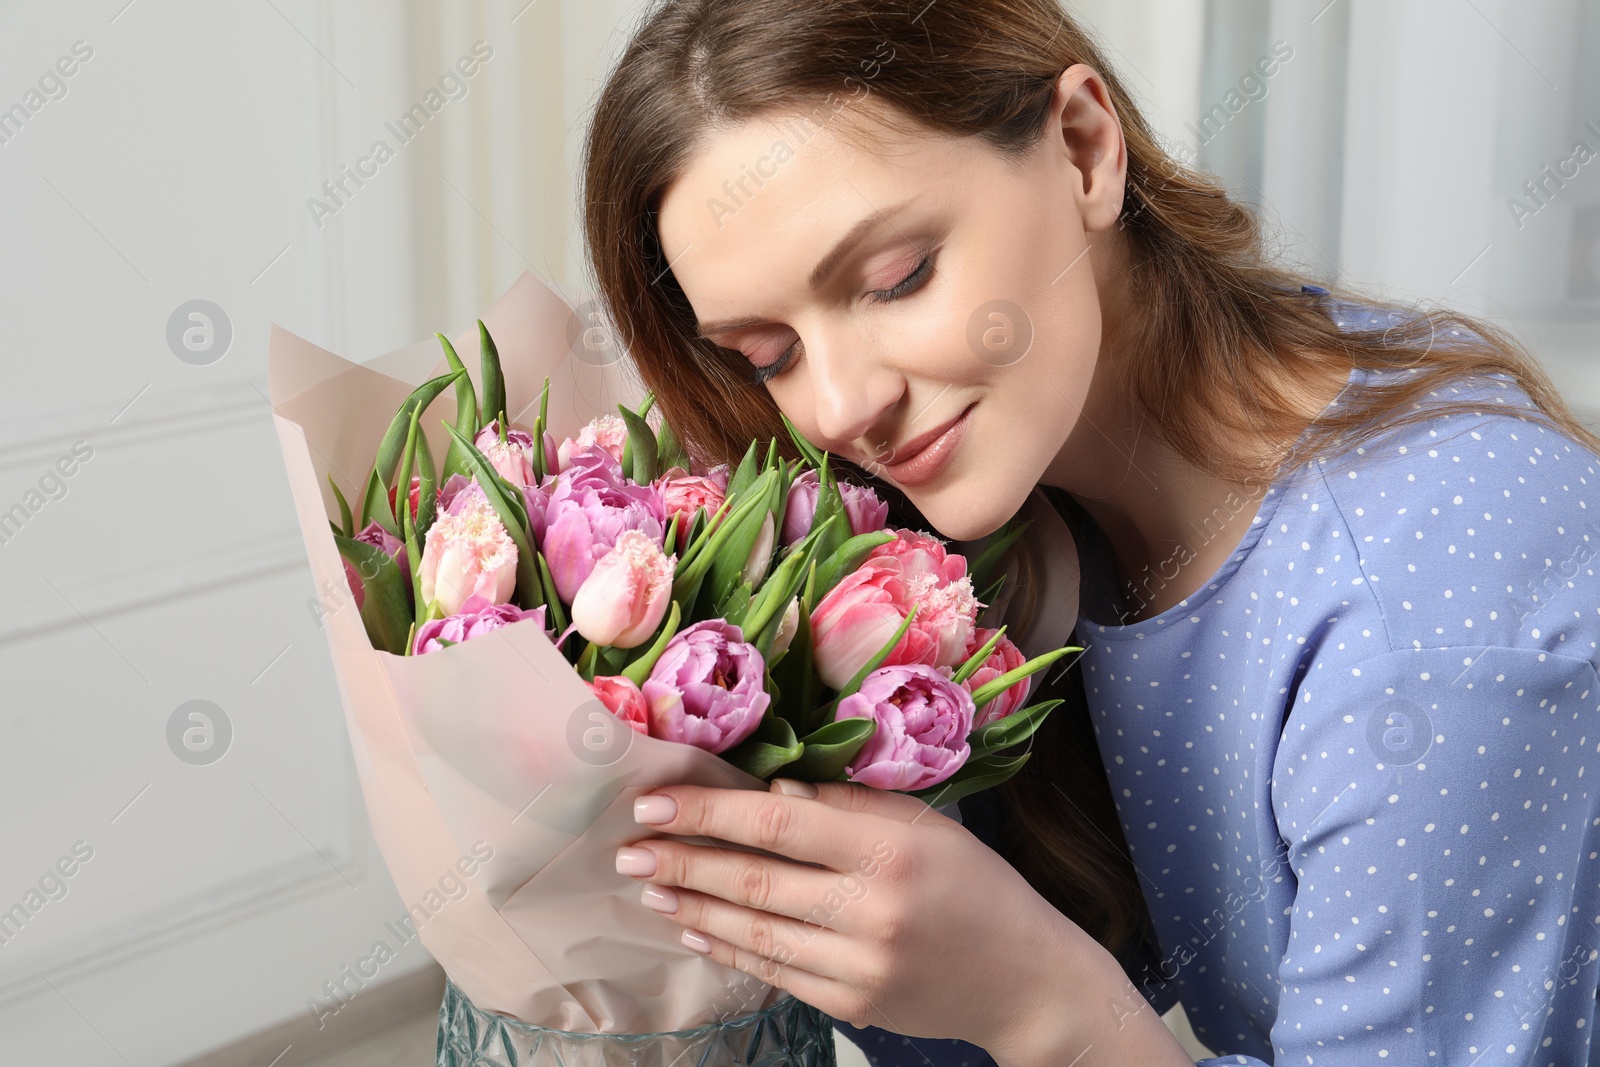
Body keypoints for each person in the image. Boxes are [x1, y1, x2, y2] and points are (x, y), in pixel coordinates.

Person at [585, 1, 1600, 1063]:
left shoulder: (1432, 616)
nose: (839, 405)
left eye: (896, 278)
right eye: (767, 353)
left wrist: (1045, 1006)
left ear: (1082, 149)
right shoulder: (1004, 536)